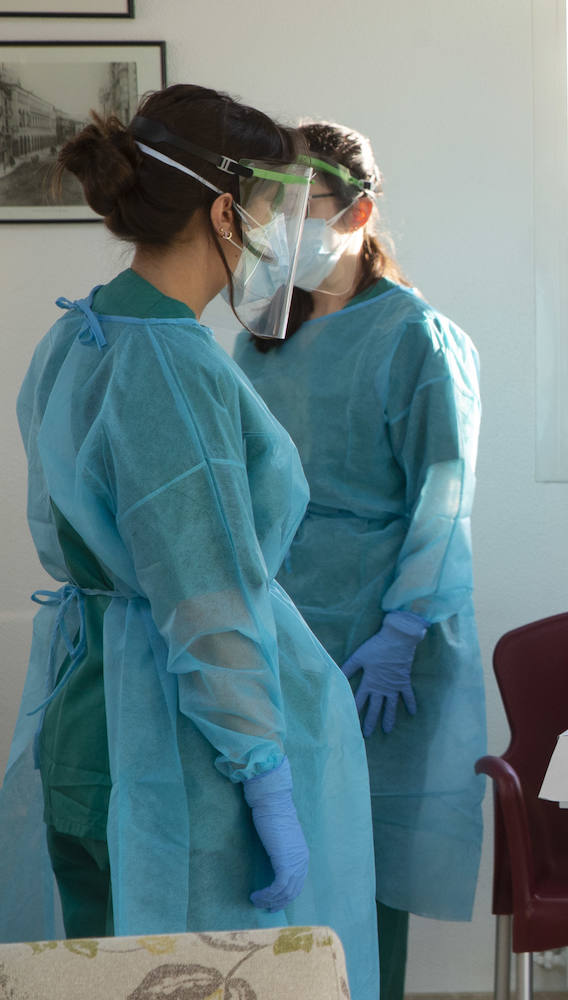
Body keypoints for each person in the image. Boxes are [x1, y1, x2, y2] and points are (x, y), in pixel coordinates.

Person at [0, 84, 380, 1000]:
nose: (283, 235)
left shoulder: (79, 330)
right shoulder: (171, 364)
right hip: (174, 753)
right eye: (272, 207)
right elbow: (203, 593)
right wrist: (263, 773)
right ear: (223, 210)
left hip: (89, 722)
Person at [232, 122, 484, 1000]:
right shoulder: (259, 335)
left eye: (303, 205)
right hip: (276, 630)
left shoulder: (417, 338)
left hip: (379, 646)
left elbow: (443, 497)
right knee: (273, 870)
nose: (280, 223)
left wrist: (405, 625)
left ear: (361, 210)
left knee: (364, 873)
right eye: (270, 203)